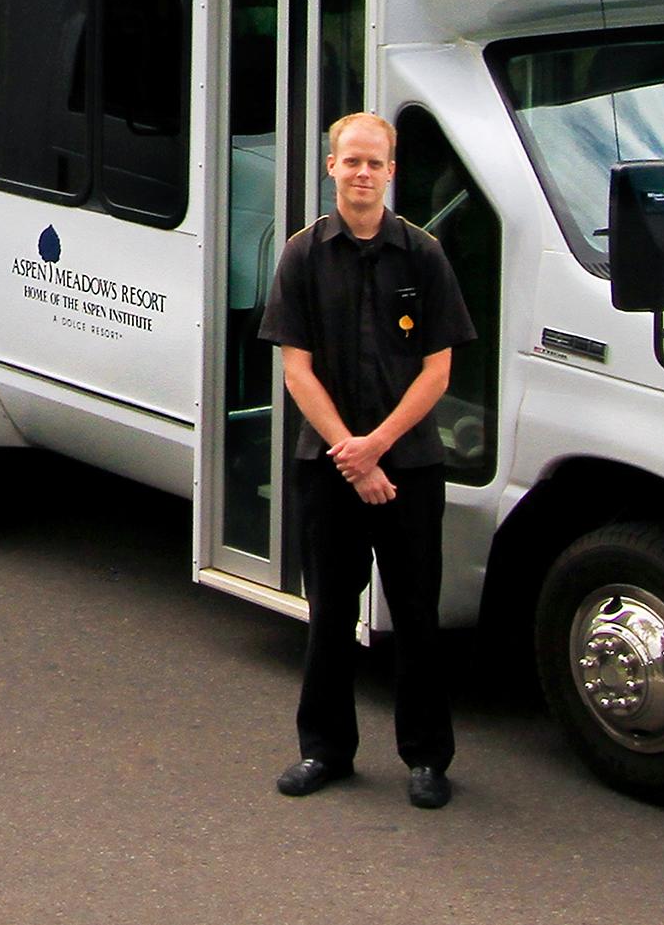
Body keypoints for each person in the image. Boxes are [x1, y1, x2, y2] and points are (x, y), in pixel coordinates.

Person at [263, 111, 475, 810]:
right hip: (326, 466)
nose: (361, 172)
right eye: (349, 161)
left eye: (374, 162)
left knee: (416, 614)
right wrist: (349, 455)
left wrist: (376, 446)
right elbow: (297, 371)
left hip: (408, 467)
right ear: (330, 168)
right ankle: (324, 749)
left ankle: (426, 758)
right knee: (329, 611)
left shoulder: (424, 255)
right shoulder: (300, 254)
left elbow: (437, 372)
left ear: (391, 171)